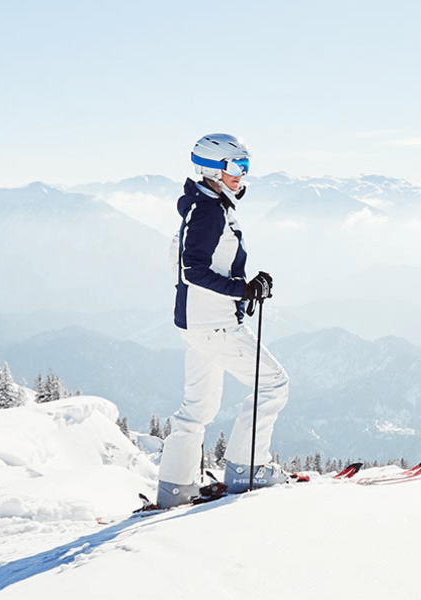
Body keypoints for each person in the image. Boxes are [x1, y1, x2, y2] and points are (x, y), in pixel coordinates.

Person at [155, 133, 290, 509]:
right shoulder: (209, 211)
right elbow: (191, 268)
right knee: (274, 384)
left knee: (196, 409)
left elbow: (191, 266)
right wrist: (241, 290)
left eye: (245, 167)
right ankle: (248, 469)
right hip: (213, 325)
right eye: (235, 167)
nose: (242, 175)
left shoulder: (205, 206)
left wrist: (242, 290)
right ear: (212, 169)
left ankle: (175, 489)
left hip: (199, 324)